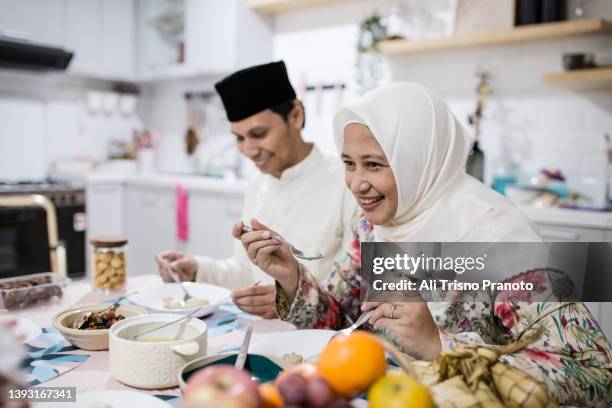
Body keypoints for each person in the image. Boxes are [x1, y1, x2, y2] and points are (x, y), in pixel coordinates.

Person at [233, 83, 612, 406]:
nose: (356, 184)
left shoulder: (497, 240)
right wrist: (291, 277)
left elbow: (593, 377)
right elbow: (341, 321)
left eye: (375, 165)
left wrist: (439, 345)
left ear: (419, 161)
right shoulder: (378, 225)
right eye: (349, 163)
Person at [155, 61, 356, 318]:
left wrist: (291, 298)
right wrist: (197, 271)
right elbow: (246, 273)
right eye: (239, 138)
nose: (249, 150)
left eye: (258, 134)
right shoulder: (258, 185)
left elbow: (355, 296)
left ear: (296, 116)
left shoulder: (346, 182)